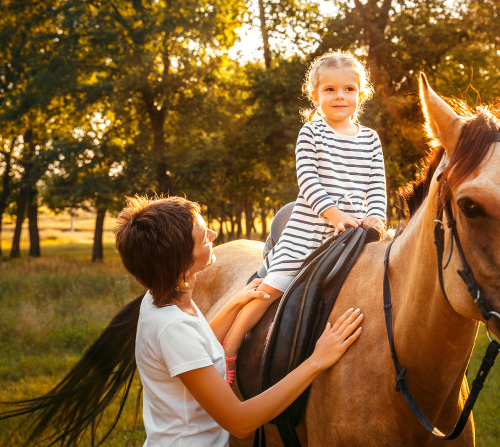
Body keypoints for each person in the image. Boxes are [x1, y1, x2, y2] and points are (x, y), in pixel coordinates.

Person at [115, 195, 364, 445]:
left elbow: (198, 346)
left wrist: (235, 302)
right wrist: (316, 361)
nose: (213, 235)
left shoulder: (164, 297)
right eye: (203, 238)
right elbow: (239, 422)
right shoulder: (173, 328)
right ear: (183, 266)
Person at [222, 51, 386, 384]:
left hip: (353, 233)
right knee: (273, 289)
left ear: (361, 93)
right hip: (309, 230)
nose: (340, 96)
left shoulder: (370, 139)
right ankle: (230, 346)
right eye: (330, 90)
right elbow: (308, 180)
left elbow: (376, 185)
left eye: (348, 89)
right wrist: (333, 212)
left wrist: (376, 217)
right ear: (315, 95)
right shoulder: (311, 134)